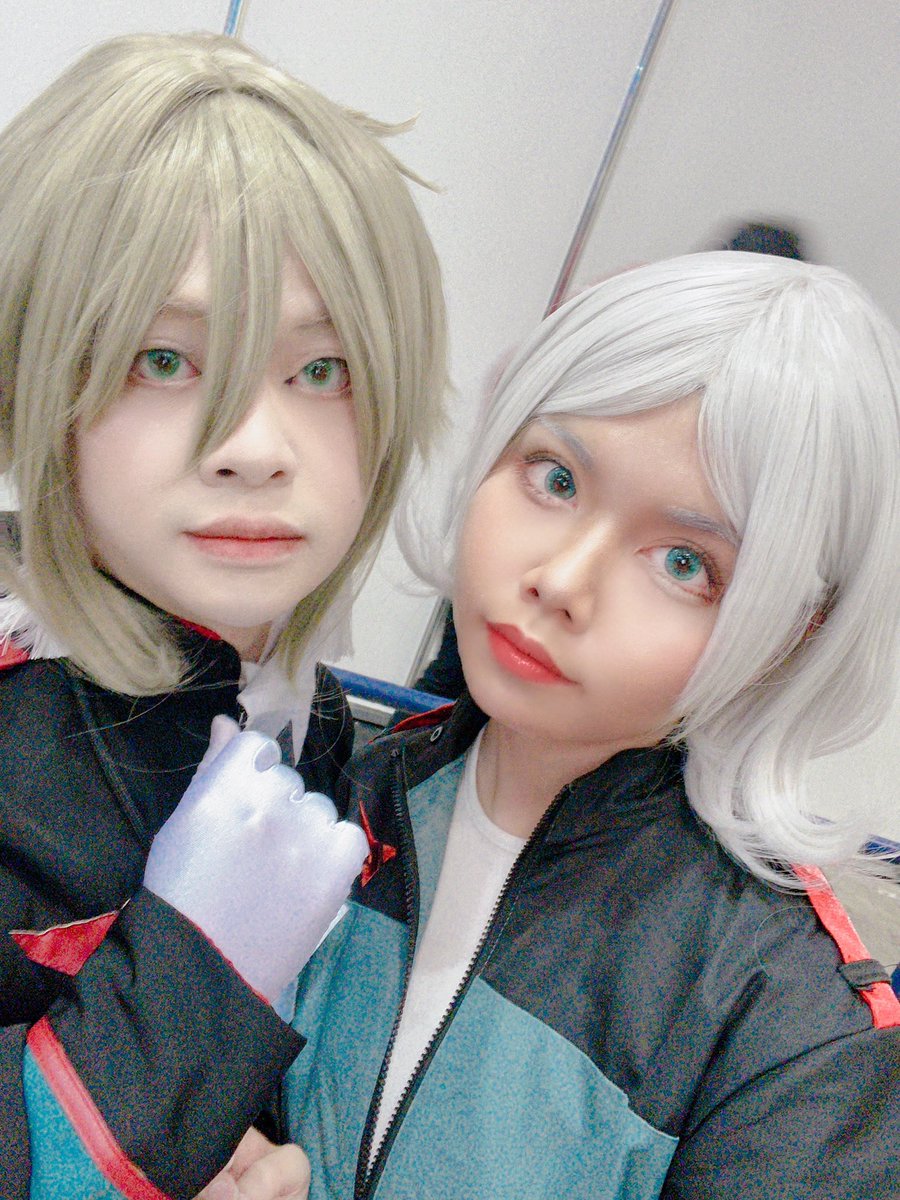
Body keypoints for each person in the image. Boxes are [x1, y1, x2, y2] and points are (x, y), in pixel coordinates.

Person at [277, 252, 898, 1198]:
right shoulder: (336, 790)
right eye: (555, 478)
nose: (562, 580)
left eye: (684, 562)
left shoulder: (790, 1026)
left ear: (788, 634)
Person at [0, 31, 446, 1200]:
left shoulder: (322, 726)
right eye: (164, 359)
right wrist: (188, 994)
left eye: (321, 370)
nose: (254, 448)